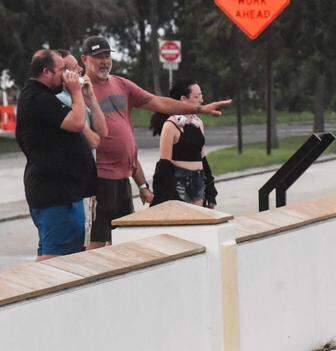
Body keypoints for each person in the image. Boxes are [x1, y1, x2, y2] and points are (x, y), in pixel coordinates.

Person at [80, 35, 231, 247]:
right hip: (99, 177)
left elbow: (159, 102)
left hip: (123, 177)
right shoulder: (80, 90)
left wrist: (199, 109)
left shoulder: (121, 84)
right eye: (98, 57)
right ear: (85, 59)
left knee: (123, 241)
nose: (104, 61)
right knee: (96, 243)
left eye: (107, 56)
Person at [15, 49, 97, 260]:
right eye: (62, 70)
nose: (66, 74)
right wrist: (76, 92)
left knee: (59, 254)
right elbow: (77, 122)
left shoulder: (43, 97)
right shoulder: (37, 98)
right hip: (55, 193)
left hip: (61, 190)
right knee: (56, 260)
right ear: (47, 72)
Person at [148, 80, 217, 208]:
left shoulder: (198, 123)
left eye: (201, 95)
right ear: (183, 99)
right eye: (196, 97)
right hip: (179, 182)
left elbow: (202, 157)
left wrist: (210, 189)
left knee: (198, 222)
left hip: (198, 180)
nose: (201, 100)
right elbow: (164, 164)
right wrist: (163, 195)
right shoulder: (171, 125)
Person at [55, 50, 107, 151]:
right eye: (75, 67)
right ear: (64, 74)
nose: (81, 69)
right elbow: (93, 142)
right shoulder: (61, 99)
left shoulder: (76, 99)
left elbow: (103, 132)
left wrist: (91, 97)